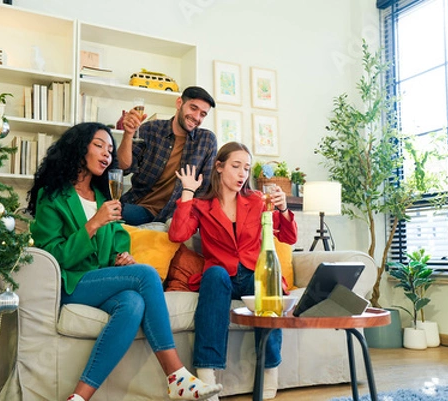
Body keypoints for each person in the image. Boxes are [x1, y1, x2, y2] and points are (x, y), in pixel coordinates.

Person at [26, 122, 223, 401]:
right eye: (99, 145)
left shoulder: (102, 196)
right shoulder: (53, 196)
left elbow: (117, 237)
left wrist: (122, 256)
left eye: (110, 148)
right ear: (79, 148)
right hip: (69, 283)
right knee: (145, 275)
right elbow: (52, 256)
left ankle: (79, 397)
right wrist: (93, 223)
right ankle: (176, 375)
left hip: (98, 280)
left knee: (133, 303)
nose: (107, 153)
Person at [168, 142, 298, 400]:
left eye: (246, 168)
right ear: (219, 167)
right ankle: (206, 376)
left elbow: (289, 237)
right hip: (221, 276)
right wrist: (187, 193)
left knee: (267, 284)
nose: (242, 174)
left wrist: (283, 208)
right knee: (214, 274)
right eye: (236, 166)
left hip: (253, 273)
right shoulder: (202, 206)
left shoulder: (257, 201)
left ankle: (270, 371)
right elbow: (178, 234)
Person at [117, 86, 217, 225]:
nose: (196, 117)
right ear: (179, 103)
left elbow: (205, 190)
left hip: (175, 214)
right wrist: (128, 134)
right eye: (193, 108)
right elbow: (123, 167)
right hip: (140, 207)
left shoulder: (206, 141)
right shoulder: (150, 129)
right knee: (103, 213)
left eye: (203, 114)